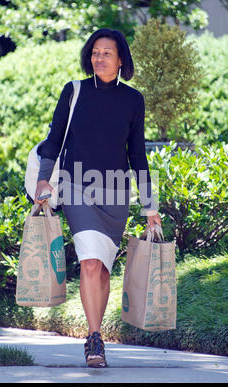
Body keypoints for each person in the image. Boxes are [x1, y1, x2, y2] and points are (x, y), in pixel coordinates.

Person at [34, 28, 161, 368]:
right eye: (95, 52)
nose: (99, 57)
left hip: (115, 192)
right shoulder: (74, 91)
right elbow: (54, 139)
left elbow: (137, 153)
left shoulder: (133, 100)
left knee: (102, 268)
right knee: (89, 261)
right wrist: (44, 180)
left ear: (121, 60)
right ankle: (94, 338)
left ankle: (96, 331)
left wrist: (150, 204)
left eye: (107, 52)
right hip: (76, 187)